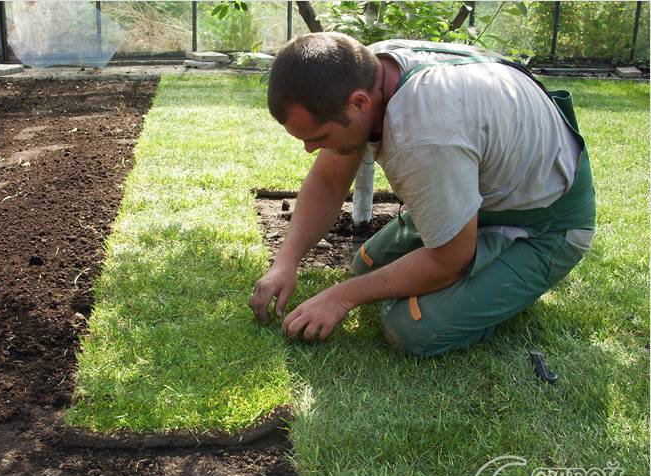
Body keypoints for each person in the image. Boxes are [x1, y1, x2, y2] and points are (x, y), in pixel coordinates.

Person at [249, 32, 596, 357]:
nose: (311, 149)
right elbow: (327, 181)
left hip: (547, 223)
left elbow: (450, 260)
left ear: (359, 103)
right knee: (366, 264)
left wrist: (340, 298)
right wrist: (286, 261)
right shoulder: (367, 69)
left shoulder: (423, 134)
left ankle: (514, 278)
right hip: (490, 191)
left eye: (319, 136)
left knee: (411, 328)